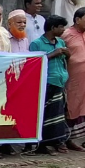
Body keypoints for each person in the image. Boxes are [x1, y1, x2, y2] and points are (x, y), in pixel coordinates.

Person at [30, 15, 70, 154]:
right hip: (46, 83)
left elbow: (66, 59)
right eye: (61, 27)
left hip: (60, 82)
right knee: (46, 115)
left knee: (59, 115)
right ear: (53, 28)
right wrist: (54, 53)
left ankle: (58, 141)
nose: (63, 30)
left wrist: (66, 53)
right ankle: (43, 144)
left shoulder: (61, 42)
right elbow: (33, 63)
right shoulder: (37, 43)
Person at [64, 7, 85, 150]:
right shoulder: (66, 34)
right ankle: (68, 139)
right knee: (72, 106)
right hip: (74, 79)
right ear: (77, 20)